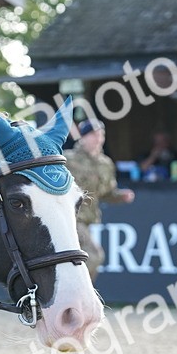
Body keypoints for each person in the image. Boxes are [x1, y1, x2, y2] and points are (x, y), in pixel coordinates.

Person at [64, 119, 135, 281]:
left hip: (87, 221)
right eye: (94, 134)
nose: (99, 138)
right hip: (70, 218)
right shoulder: (68, 160)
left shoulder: (105, 164)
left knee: (81, 260)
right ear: (83, 137)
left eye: (101, 134)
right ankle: (76, 293)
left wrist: (121, 196)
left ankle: (78, 299)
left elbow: (106, 193)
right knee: (94, 255)